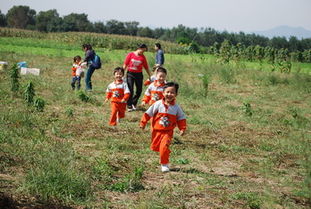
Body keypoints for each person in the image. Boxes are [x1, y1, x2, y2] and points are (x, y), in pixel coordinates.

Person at [140, 82, 187, 172]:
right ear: (163, 93)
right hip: (156, 131)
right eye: (167, 92)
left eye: (172, 92)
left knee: (164, 146)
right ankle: (164, 154)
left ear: (176, 94)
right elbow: (148, 113)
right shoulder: (158, 104)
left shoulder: (176, 108)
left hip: (168, 132)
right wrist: (143, 123)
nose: (169, 94)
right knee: (156, 147)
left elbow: (181, 118)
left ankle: (164, 164)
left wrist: (182, 128)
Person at [123, 44, 151, 111]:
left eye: (144, 51)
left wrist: (150, 75)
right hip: (130, 74)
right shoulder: (130, 55)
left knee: (139, 90)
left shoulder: (143, 57)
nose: (142, 52)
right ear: (139, 48)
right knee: (130, 89)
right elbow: (125, 64)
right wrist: (121, 74)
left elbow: (146, 67)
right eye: (142, 50)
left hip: (139, 74)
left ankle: (134, 103)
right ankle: (129, 105)